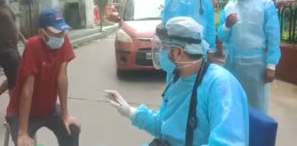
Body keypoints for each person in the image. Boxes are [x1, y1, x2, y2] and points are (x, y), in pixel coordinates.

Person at [105, 17, 249, 146]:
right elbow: (165, 126)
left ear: (179, 52)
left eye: (164, 47)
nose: (160, 51)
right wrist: (130, 112)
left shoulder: (221, 85)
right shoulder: (178, 79)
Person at [6, 9, 81, 146]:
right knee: (23, 143)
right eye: (57, 33)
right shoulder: (33, 46)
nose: (61, 36)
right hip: (22, 113)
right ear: (42, 33)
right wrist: (23, 132)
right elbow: (27, 91)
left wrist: (65, 115)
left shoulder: (64, 41)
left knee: (72, 129)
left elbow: (62, 78)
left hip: (48, 109)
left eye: (63, 32)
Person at [218, 0, 281, 113]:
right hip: (232, 64)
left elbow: (273, 37)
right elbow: (222, 36)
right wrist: (227, 26)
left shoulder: (265, 5)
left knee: (256, 105)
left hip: (255, 65)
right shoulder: (229, 7)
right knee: (233, 104)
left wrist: (271, 66)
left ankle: (256, 136)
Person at [162, 0, 216, 83]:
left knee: (198, 92)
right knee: (178, 87)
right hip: (180, 54)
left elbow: (210, 27)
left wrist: (211, 50)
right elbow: (170, 26)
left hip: (201, 54)